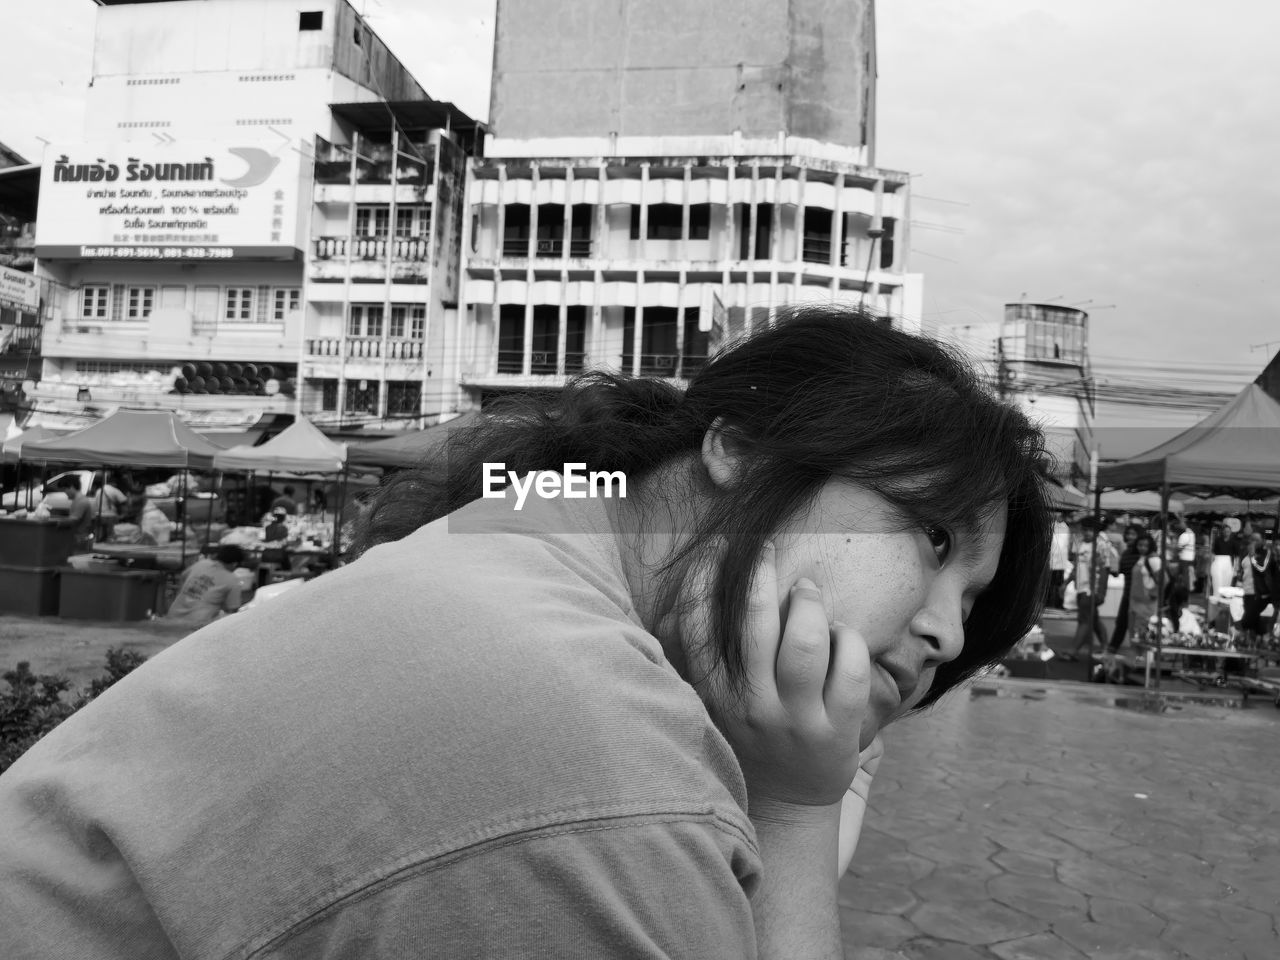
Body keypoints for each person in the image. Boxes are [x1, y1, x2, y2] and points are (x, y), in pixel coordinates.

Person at [0, 308, 1051, 959]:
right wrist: (790, 813)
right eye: (929, 534)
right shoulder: (594, 766)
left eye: (972, 605)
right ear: (736, 452)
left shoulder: (507, 543)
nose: (938, 634)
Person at [1065, 515, 1119, 660]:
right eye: (1085, 530)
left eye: (1090, 530)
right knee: (1093, 620)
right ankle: (1106, 647)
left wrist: (1101, 592)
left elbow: (1105, 569)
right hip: (1080, 587)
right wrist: (1066, 583)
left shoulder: (1101, 545)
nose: (1087, 533)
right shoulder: (1079, 543)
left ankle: (1073, 651)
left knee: (1084, 619)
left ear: (1096, 531)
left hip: (1092, 589)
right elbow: (1076, 566)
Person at [163, 544, 246, 624]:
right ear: (235, 563)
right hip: (197, 625)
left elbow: (182, 578)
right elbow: (232, 612)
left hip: (173, 616)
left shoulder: (202, 563)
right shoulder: (233, 580)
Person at [1236, 533, 1279, 648]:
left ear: (1262, 541)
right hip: (1247, 592)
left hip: (1261, 593)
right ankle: (1260, 642)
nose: (1254, 542)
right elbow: (1243, 569)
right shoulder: (1246, 552)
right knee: (1254, 621)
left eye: (1256, 540)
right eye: (1252, 540)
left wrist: (1252, 557)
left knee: (1246, 621)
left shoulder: (1266, 552)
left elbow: (1262, 569)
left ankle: (1262, 637)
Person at [1107, 523, 1143, 653]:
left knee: (1136, 625)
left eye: (1134, 534)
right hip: (1128, 594)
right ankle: (1113, 648)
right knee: (1121, 622)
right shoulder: (1126, 553)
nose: (1130, 536)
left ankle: (1138, 653)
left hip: (1139, 596)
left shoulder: (1142, 553)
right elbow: (1118, 572)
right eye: (1128, 533)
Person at [1125, 533, 1162, 643]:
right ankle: (1137, 659)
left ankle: (1142, 659)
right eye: (1140, 545)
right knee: (1135, 633)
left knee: (1142, 634)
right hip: (1135, 602)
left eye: (1145, 545)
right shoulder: (1142, 558)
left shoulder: (1153, 559)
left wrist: (1153, 594)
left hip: (1146, 605)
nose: (1142, 548)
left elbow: (1163, 579)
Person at [51, 474, 96, 550]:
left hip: (80, 539)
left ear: (71, 487)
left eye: (65, 489)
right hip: (79, 538)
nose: (65, 493)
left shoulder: (81, 501)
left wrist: (56, 522)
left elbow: (73, 520)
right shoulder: (78, 500)